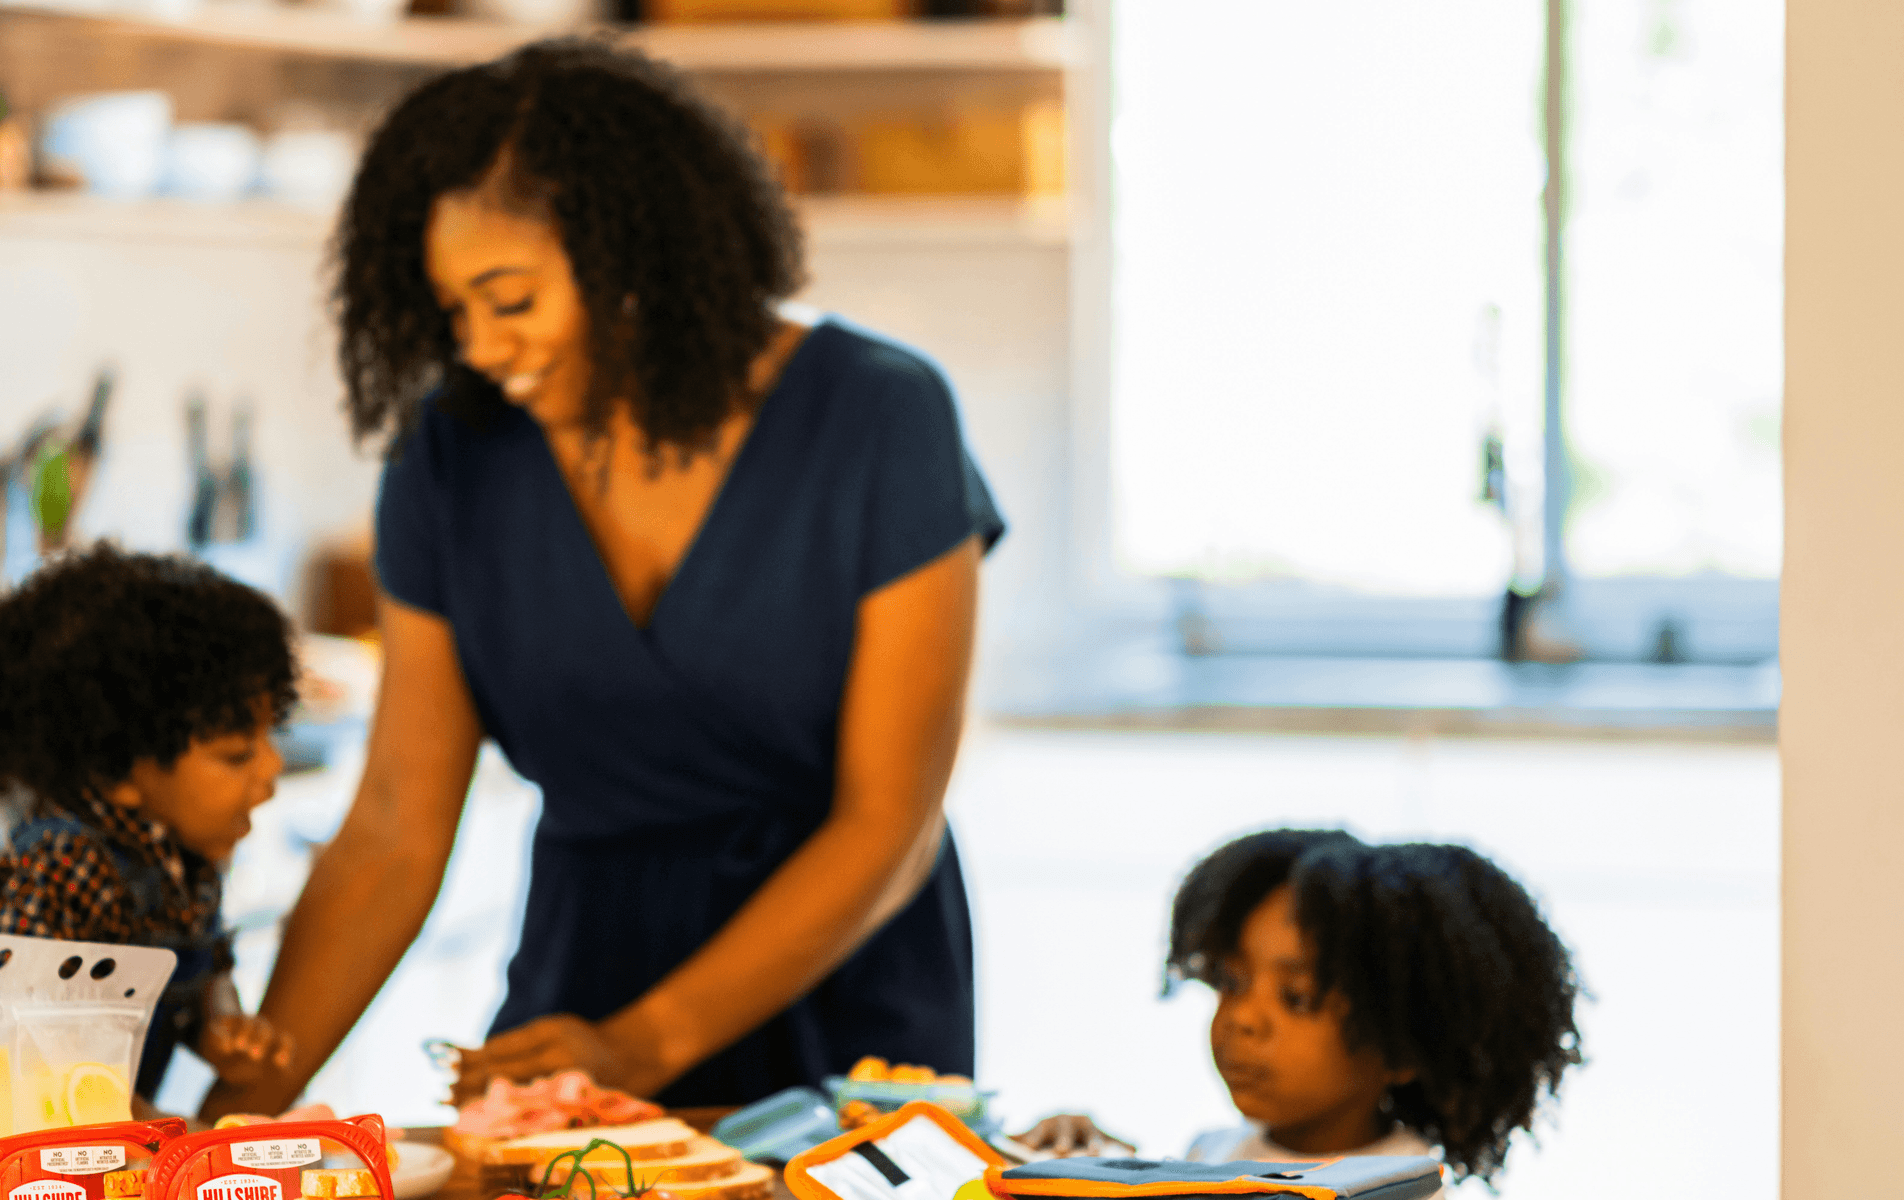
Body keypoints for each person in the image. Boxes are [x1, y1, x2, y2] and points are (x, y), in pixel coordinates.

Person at [204, 37, 1003, 1119]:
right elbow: (394, 824)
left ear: (634, 254)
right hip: (579, 992)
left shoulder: (878, 413)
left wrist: (643, 1043)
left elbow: (889, 820)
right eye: (453, 311)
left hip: (847, 1005)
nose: (480, 346)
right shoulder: (451, 456)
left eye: (511, 298)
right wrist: (227, 1129)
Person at [0, 546, 299, 1182]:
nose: (272, 770)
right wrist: (167, 1137)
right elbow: (38, 1053)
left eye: (270, 739)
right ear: (120, 771)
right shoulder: (63, 865)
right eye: (237, 755)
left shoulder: (188, 857)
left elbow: (201, 967)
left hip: (72, 1162)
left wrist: (221, 1027)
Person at [1017, 829, 1580, 1189]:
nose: (1243, 1018)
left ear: (1405, 1045)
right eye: (1232, 982)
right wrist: (1093, 1166)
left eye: (1298, 999)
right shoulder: (1212, 1150)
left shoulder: (1404, 1187)